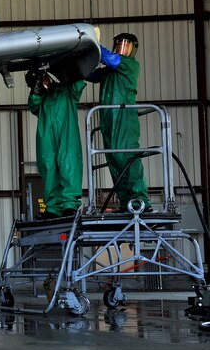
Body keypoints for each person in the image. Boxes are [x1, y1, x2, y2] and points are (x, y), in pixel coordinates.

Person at [88, 32, 151, 212]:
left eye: (126, 45)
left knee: (127, 158)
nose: (121, 49)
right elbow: (90, 75)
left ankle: (141, 201)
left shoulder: (129, 65)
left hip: (124, 119)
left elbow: (110, 59)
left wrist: (91, 44)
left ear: (133, 50)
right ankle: (127, 202)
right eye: (119, 45)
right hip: (109, 119)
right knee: (114, 160)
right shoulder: (108, 71)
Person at [26, 70, 86, 219]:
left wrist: (64, 69)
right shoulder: (41, 98)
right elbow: (33, 105)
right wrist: (36, 89)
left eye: (44, 78)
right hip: (47, 138)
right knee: (48, 167)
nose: (44, 82)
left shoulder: (66, 90)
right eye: (40, 81)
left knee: (69, 165)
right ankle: (52, 208)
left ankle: (69, 205)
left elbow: (78, 84)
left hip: (66, 135)